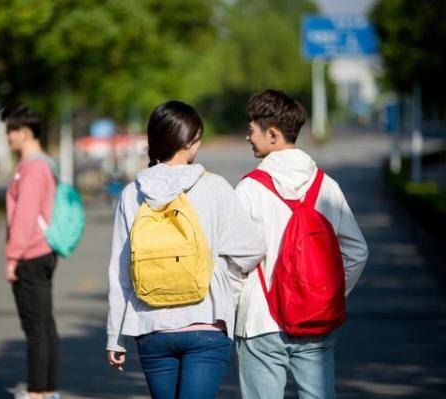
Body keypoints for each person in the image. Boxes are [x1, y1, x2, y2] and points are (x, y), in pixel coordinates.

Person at [106, 100, 266, 399]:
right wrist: (222, 281)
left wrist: (115, 337)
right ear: (190, 143)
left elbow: (120, 271)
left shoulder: (132, 194)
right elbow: (251, 249)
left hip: (151, 326)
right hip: (206, 322)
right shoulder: (215, 187)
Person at [233, 89, 369, 399]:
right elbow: (357, 251)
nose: (247, 137)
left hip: (259, 321)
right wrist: (324, 293)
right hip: (315, 319)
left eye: (251, 130)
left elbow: (233, 261)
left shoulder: (249, 189)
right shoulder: (326, 185)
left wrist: (227, 312)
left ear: (272, 135)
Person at [2, 104, 60, 399]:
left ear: (24, 133)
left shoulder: (31, 168)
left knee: (35, 326)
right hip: (43, 251)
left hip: (30, 254)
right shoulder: (46, 164)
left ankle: (38, 391)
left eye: (9, 132)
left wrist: (12, 258)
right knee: (44, 322)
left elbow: (24, 217)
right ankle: (47, 389)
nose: (7, 138)